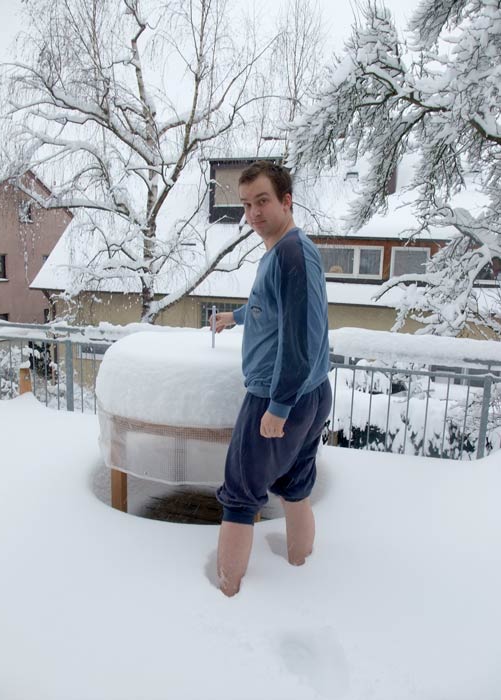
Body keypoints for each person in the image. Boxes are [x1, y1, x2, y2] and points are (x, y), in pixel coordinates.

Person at [210, 161, 331, 597]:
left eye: (262, 201)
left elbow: (299, 338)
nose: (253, 214)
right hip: (312, 392)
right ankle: (301, 569)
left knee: (240, 496)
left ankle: (226, 595)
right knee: (295, 486)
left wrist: (278, 407)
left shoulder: (291, 255)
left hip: (279, 394)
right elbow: (273, 309)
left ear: (286, 200)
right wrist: (237, 316)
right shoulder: (289, 250)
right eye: (246, 205)